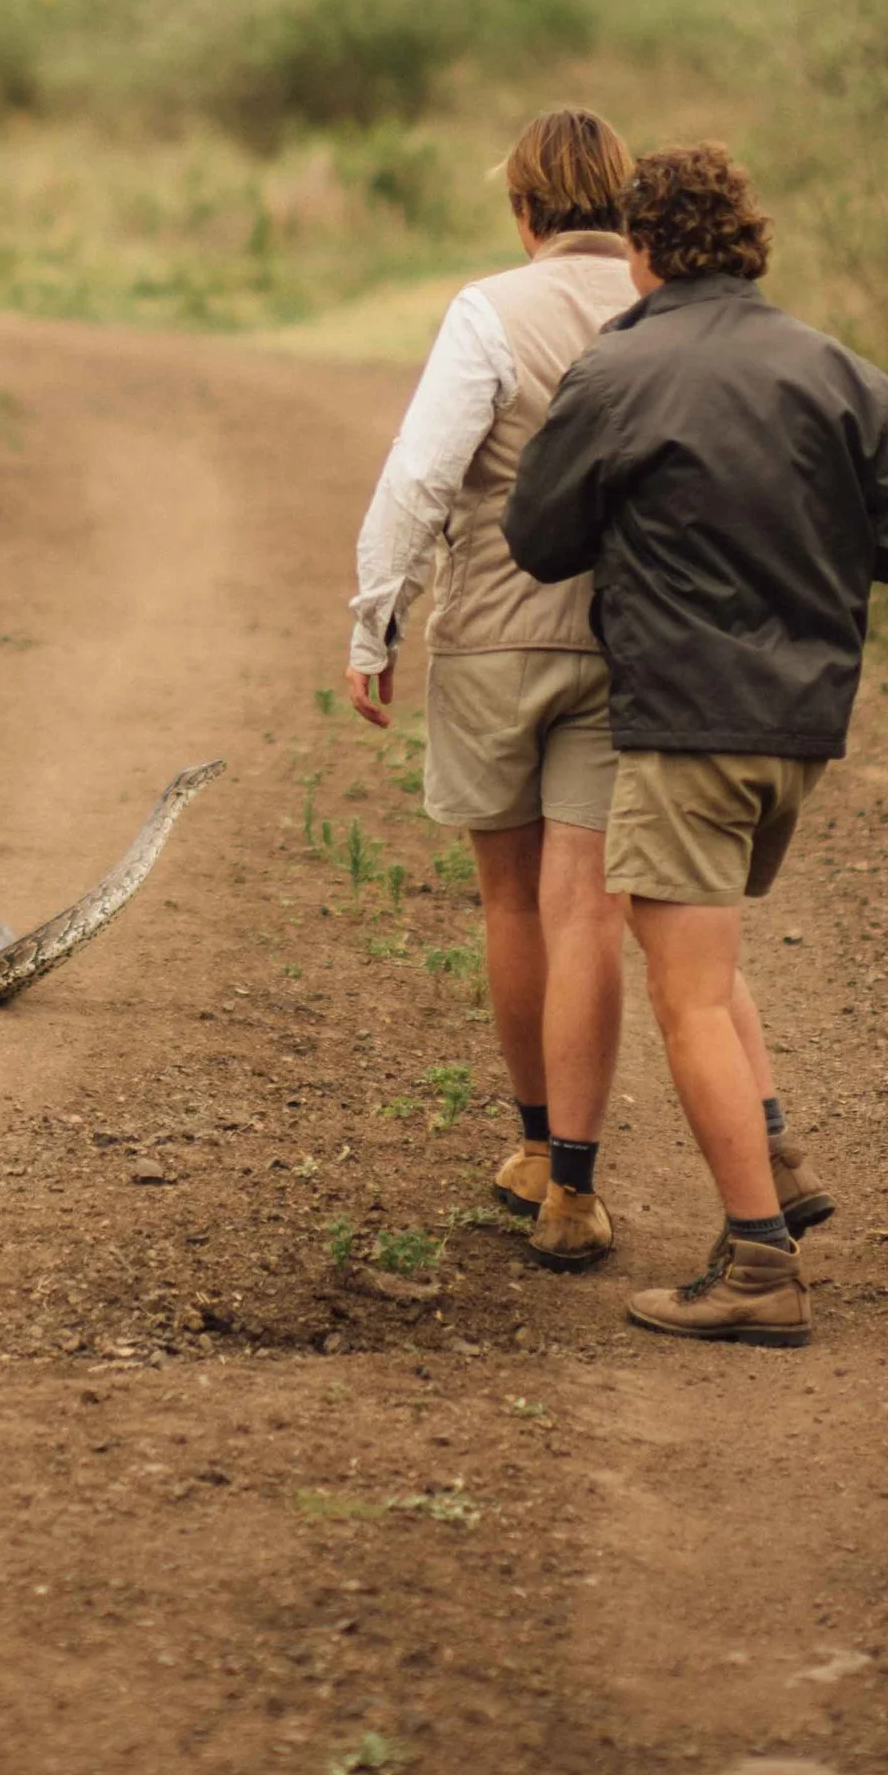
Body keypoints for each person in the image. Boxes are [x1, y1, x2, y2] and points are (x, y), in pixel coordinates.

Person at [505, 142, 888, 1347]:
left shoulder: (620, 364)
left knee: (683, 994)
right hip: (799, 727)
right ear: (748, 242)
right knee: (701, 954)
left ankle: (758, 1267)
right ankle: (774, 1159)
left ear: (640, 249)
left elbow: (540, 538)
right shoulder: (844, 372)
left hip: (686, 720)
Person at [343, 107, 640, 1272]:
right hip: (628, 649)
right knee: (590, 912)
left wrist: (377, 622)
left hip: (493, 647)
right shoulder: (666, 309)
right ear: (622, 206)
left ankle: (529, 1147)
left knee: (512, 907)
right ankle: (577, 1186)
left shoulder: (488, 309)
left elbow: (420, 477)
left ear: (523, 211)